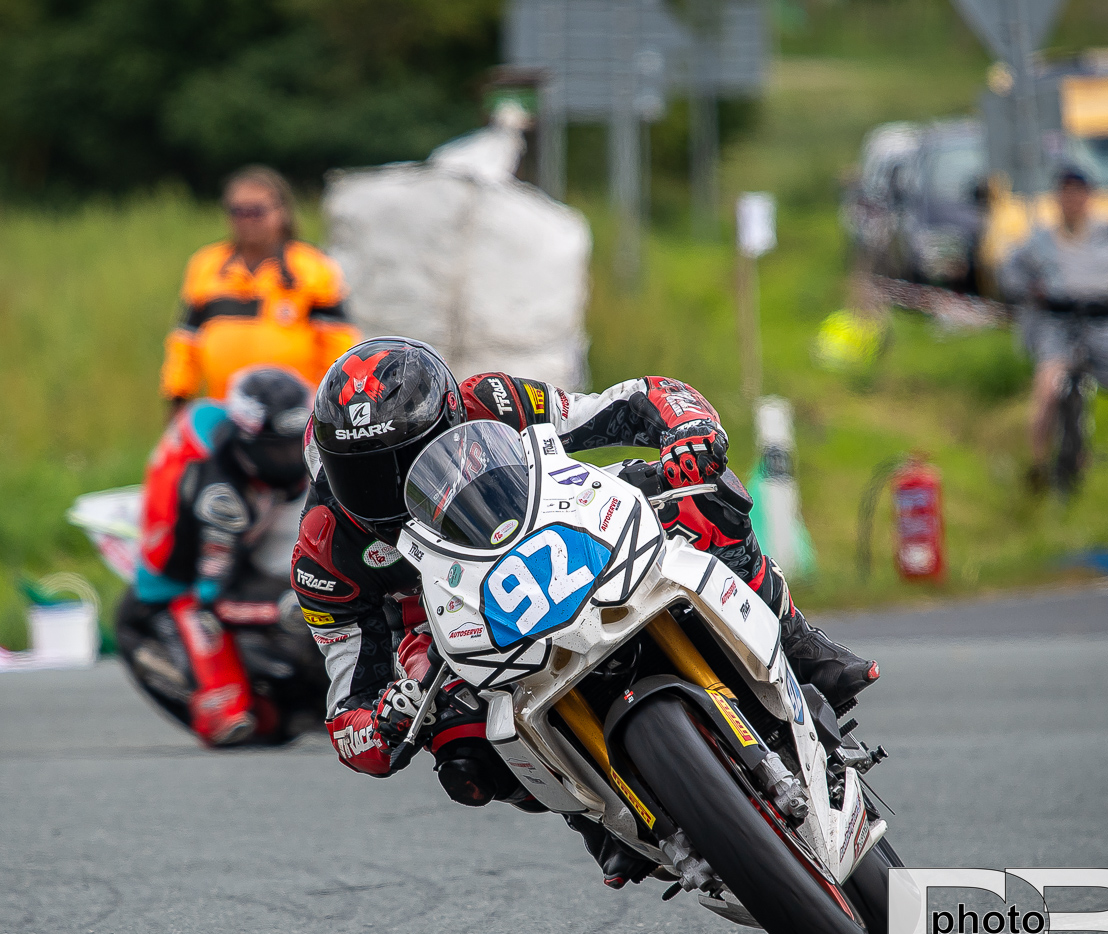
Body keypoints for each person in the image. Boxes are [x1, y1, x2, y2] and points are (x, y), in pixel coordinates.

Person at [291, 337, 880, 886]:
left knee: (703, 497)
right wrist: (383, 721)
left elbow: (628, 403)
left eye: (409, 458)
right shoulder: (325, 550)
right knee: (461, 755)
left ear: (451, 419)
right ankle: (591, 813)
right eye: (364, 476)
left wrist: (687, 430)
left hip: (558, 525)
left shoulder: (492, 401)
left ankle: (795, 639)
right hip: (447, 627)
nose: (392, 486)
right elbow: (347, 711)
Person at [117, 365, 325, 747]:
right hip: (180, 591)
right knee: (229, 722)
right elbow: (214, 598)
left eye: (297, 443)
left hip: (240, 558)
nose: (292, 458)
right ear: (248, 440)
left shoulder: (253, 461)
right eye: (278, 448)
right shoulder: (221, 500)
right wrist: (284, 611)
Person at [1001, 164, 1108, 488]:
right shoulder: (1041, 239)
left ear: (1089, 197)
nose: (1072, 201)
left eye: (1078, 194)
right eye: (1065, 194)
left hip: (1105, 320)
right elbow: (1009, 270)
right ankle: (1038, 465)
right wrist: (1030, 291)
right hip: (1059, 322)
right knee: (1046, 388)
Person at [160, 165, 360, 411]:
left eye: (257, 211)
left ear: (282, 211)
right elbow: (186, 342)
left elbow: (338, 343)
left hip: (295, 411)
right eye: (238, 212)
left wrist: (338, 404)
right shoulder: (206, 265)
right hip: (225, 409)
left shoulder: (313, 267)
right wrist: (178, 396)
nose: (247, 221)